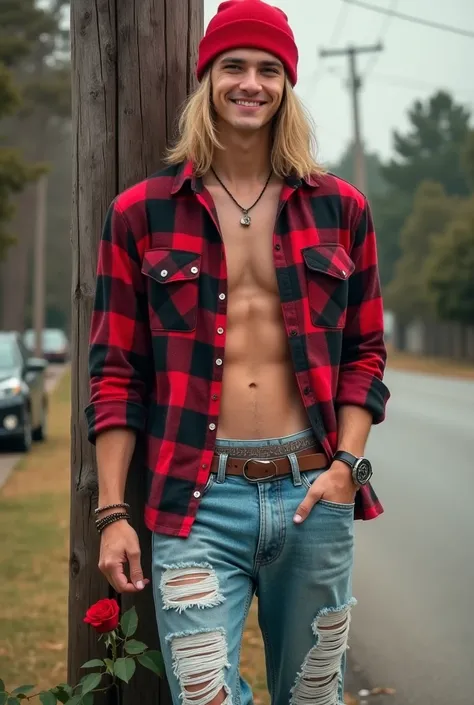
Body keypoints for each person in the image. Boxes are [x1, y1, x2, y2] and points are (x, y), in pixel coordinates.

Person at [86, 1, 390, 703]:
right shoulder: (142, 212)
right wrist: (111, 510)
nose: (249, 83)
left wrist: (346, 466)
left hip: (314, 490)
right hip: (198, 496)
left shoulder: (341, 208)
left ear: (286, 85)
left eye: (267, 69)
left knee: (313, 694)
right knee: (202, 694)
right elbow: (116, 371)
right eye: (233, 67)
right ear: (207, 81)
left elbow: (366, 352)